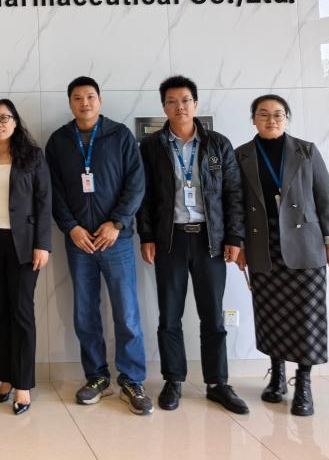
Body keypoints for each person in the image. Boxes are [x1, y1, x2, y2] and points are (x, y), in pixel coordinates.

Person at [137, 76, 248, 414]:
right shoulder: (151, 146)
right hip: (169, 239)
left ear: (195, 104)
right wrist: (147, 236)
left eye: (185, 100)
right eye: (172, 101)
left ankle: (218, 383)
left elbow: (233, 194)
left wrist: (234, 238)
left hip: (209, 240)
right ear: (164, 107)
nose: (180, 107)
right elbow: (144, 197)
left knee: (212, 314)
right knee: (169, 314)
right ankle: (173, 380)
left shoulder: (218, 144)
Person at [45, 76, 152, 415]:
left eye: (90, 97)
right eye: (77, 98)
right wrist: (71, 227)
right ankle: (97, 377)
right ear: (70, 103)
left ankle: (132, 380)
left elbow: (136, 184)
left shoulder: (119, 135)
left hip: (115, 239)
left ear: (100, 100)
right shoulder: (59, 141)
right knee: (85, 312)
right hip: (79, 241)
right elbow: (52, 190)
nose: (85, 103)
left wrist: (116, 223)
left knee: (126, 311)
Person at [235, 94, 329, 417]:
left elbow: (325, 197)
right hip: (263, 242)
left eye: (278, 114)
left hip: (305, 243)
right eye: (264, 114)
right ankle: (278, 375)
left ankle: (304, 383)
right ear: (253, 119)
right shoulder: (242, 154)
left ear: (286, 118)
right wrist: (239, 245)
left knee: (307, 315)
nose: (271, 120)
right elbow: (236, 203)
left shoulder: (306, 150)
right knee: (271, 312)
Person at [0, 98, 51, 416]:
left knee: (21, 313)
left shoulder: (33, 156)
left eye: (4, 117)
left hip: (25, 245)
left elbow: (44, 201)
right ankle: (5, 379)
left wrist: (42, 244)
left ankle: (23, 384)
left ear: (15, 121)